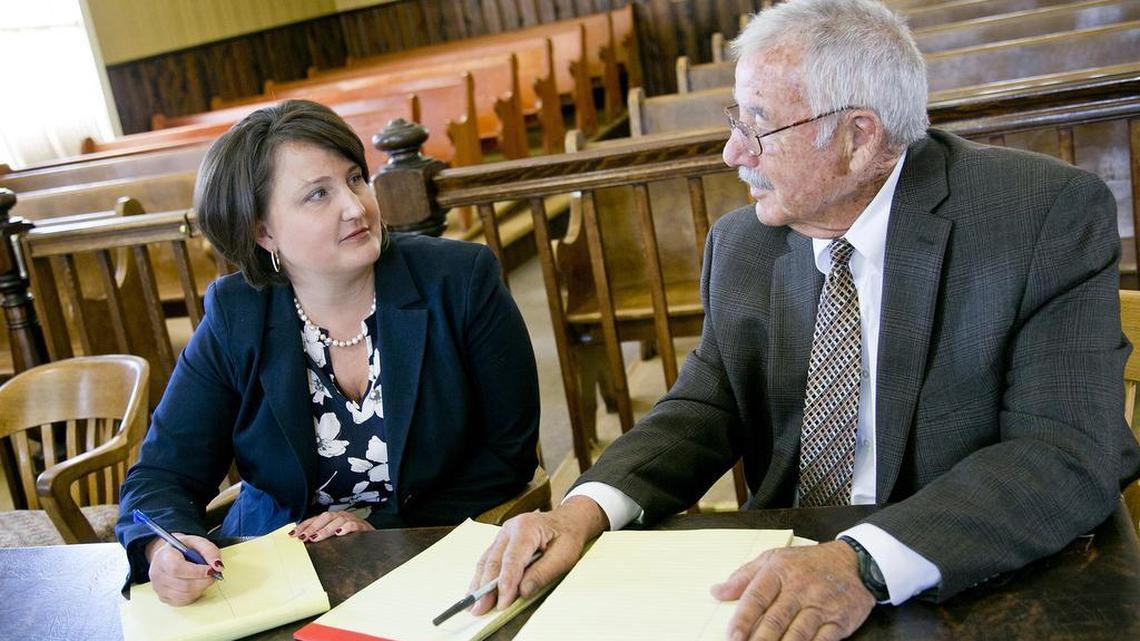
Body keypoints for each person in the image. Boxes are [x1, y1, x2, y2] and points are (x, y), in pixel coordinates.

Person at [470, 1, 1140, 639]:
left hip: (966, 571)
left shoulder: (1041, 216)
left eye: (757, 124)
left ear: (857, 138)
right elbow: (708, 402)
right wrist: (585, 509)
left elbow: (1063, 452)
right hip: (783, 567)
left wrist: (863, 562)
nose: (732, 152)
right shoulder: (744, 244)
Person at [116, 100, 540, 606]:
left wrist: (375, 526)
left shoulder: (461, 280)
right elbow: (163, 474)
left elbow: (508, 451)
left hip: (430, 551)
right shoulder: (237, 314)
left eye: (356, 178)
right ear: (263, 231)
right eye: (318, 194)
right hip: (274, 570)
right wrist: (162, 552)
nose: (356, 206)